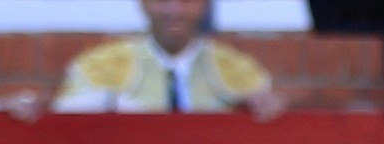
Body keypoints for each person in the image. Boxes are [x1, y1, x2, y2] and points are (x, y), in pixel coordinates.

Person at [55, 0, 286, 119]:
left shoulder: (239, 70)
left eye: (186, 0)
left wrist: (267, 109)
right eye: (163, 0)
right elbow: (60, 124)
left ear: (204, 5)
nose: (174, 12)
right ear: (143, 4)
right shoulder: (99, 66)